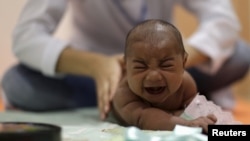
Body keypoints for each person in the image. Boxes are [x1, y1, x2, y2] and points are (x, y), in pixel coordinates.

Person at [1, 0, 250, 120]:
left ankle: (169, 90)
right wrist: (97, 65)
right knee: (17, 83)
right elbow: (27, 36)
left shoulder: (179, 68)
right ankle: (122, 98)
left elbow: (223, 21)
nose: (150, 74)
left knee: (240, 54)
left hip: (177, 70)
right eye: (139, 67)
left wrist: (174, 63)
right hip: (93, 70)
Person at [111, 19, 217, 133]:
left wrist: (206, 118)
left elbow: (195, 106)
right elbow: (147, 118)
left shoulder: (186, 84)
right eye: (140, 67)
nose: (153, 76)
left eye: (166, 65)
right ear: (126, 66)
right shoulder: (124, 94)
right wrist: (187, 125)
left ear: (183, 63)